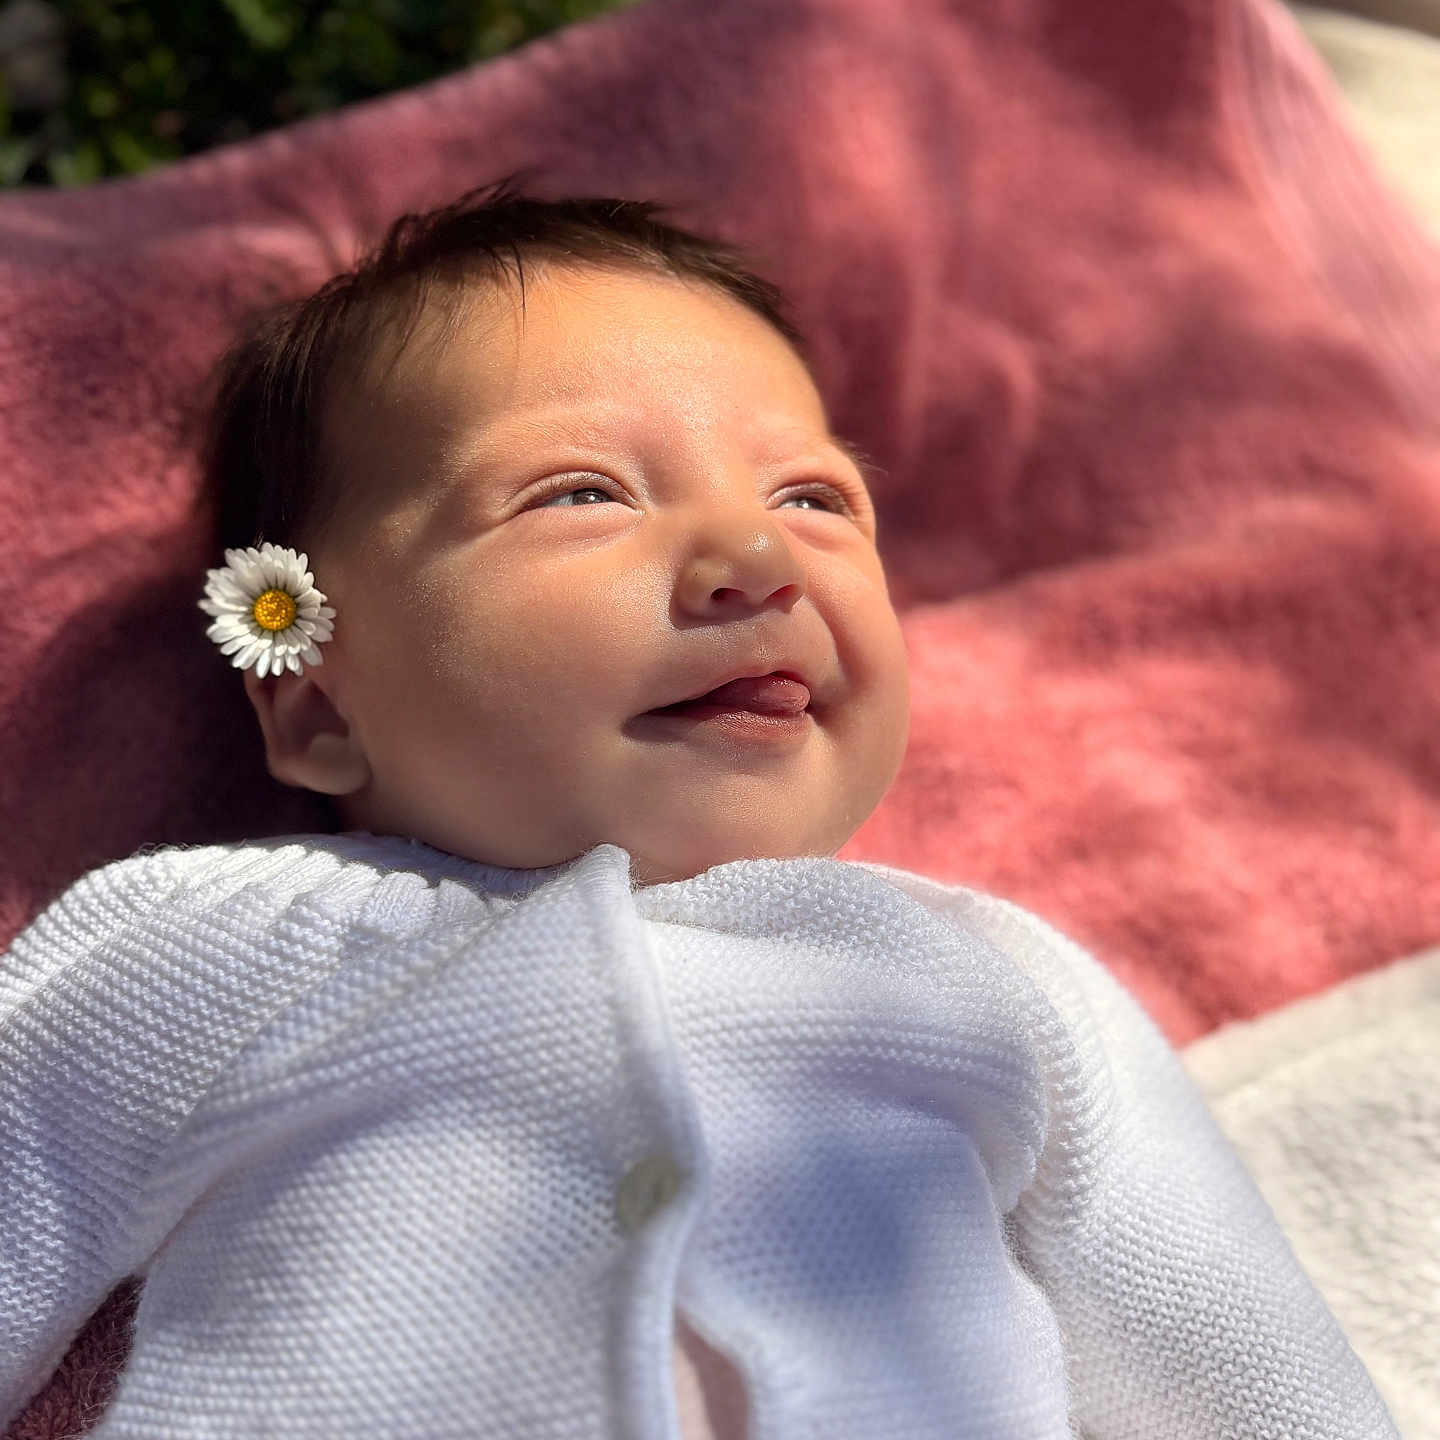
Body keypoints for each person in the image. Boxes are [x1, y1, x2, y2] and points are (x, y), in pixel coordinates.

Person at [0, 185, 1398, 1440]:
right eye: (582, 493)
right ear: (318, 702)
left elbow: (1232, 1356)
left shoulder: (988, 978)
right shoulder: (215, 946)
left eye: (815, 497)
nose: (755, 553)